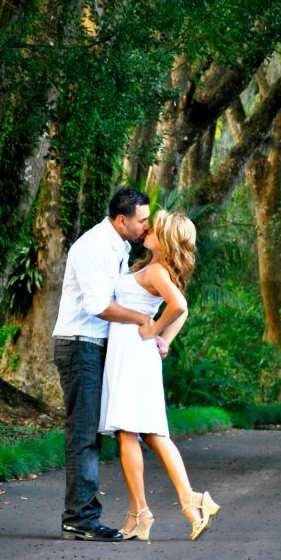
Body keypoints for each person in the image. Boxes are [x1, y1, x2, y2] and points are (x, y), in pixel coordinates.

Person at [98, 209, 221, 541]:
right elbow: (182, 308)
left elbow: (179, 305)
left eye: (155, 229)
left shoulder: (155, 271)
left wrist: (154, 329)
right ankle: (189, 502)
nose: (148, 230)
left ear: (167, 240)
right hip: (136, 355)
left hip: (134, 355)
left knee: (128, 433)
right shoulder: (153, 268)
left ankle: (141, 513)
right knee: (151, 433)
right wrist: (163, 341)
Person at [52, 186, 155, 541]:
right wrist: (142, 319)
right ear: (122, 220)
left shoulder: (120, 247)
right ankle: (79, 519)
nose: (147, 226)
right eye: (142, 220)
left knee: (91, 431)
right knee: (83, 433)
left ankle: (81, 515)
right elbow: (99, 305)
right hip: (80, 345)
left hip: (96, 346)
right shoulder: (95, 247)